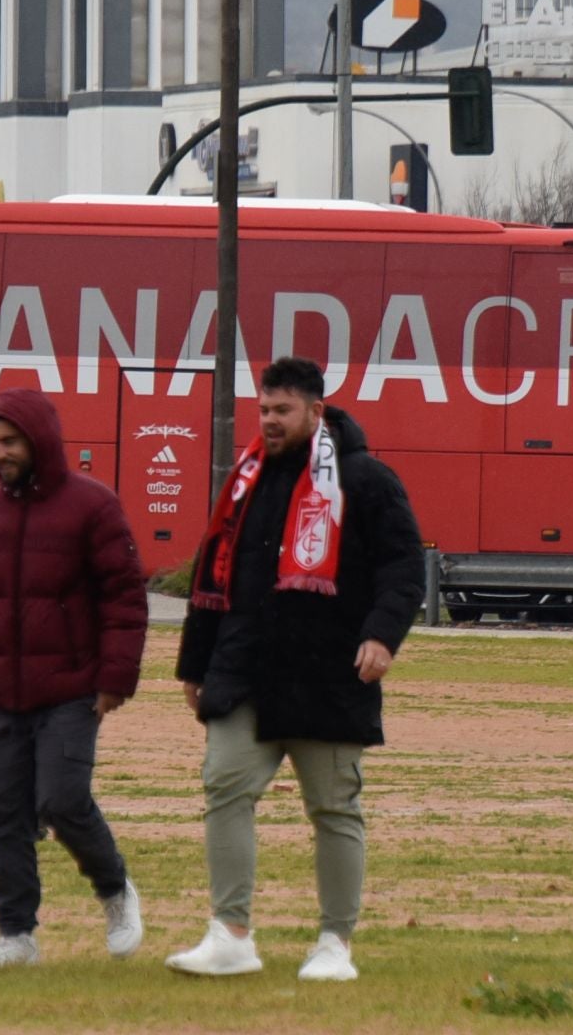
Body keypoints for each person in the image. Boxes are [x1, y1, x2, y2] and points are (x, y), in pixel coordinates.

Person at [166, 356, 424, 983]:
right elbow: (214, 574)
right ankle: (230, 935)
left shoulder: (366, 479)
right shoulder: (245, 481)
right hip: (244, 673)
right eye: (263, 409)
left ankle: (335, 943)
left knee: (333, 810)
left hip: (328, 676)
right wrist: (195, 665)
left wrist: (381, 636)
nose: (270, 421)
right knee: (225, 787)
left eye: (282, 410)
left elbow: (403, 569)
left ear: (316, 410)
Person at [0, 387, 148, 971]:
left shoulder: (94, 505)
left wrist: (115, 677)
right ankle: (16, 936)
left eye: (10, 441)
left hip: (73, 688)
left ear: (40, 439)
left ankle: (115, 891)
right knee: (1, 813)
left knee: (63, 801)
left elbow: (125, 598)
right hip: (4, 692)